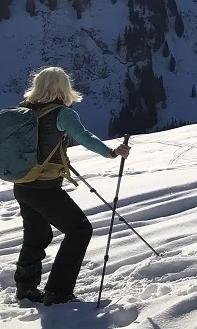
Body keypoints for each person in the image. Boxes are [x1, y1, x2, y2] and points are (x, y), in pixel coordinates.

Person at [12, 67, 133, 305]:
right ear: (64, 88)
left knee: (37, 234)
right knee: (79, 230)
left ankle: (26, 288)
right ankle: (58, 292)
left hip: (22, 184)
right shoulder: (62, 113)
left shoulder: (23, 110)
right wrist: (110, 152)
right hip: (44, 187)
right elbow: (84, 136)